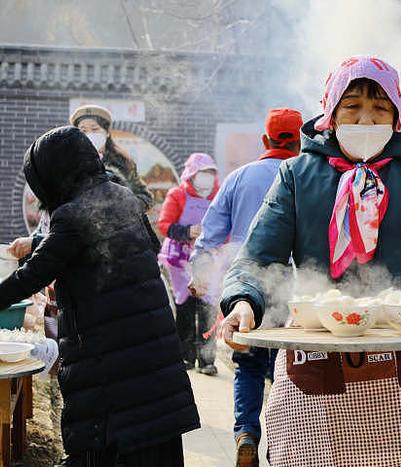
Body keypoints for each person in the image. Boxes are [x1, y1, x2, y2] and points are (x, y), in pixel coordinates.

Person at [219, 55, 401, 466]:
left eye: (379, 107)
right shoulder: (296, 175)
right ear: (331, 110)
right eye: (352, 105)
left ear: (398, 112)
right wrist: (243, 302)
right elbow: (257, 257)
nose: (365, 119)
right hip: (318, 362)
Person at [0, 126, 199, 466]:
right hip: (151, 359)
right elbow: (131, 244)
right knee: (152, 444)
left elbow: (30, 277)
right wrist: (43, 244)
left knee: (108, 448)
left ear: (55, 173)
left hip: (112, 363)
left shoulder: (72, 214)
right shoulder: (121, 196)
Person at [189, 107, 303, 466]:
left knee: (249, 363)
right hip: (293, 281)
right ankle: (284, 446)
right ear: (302, 141)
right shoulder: (308, 176)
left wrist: (200, 273)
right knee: (288, 367)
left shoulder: (239, 178)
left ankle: (245, 434)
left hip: (244, 280)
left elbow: (210, 234)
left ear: (265, 140)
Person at [9, 104, 154, 259]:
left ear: (107, 133)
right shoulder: (65, 164)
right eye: (83, 130)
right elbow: (55, 208)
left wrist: (122, 209)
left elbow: (145, 197)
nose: (89, 134)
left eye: (94, 129)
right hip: (75, 243)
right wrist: (38, 238)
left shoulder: (123, 163)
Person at [157, 152, 220, 375]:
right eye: (202, 174)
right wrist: (186, 231)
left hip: (209, 260)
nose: (207, 178)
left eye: (210, 173)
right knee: (185, 307)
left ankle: (207, 360)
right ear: (192, 175)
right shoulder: (178, 195)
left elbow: (227, 226)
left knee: (208, 308)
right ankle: (185, 357)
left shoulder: (219, 195)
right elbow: (164, 225)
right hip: (180, 260)